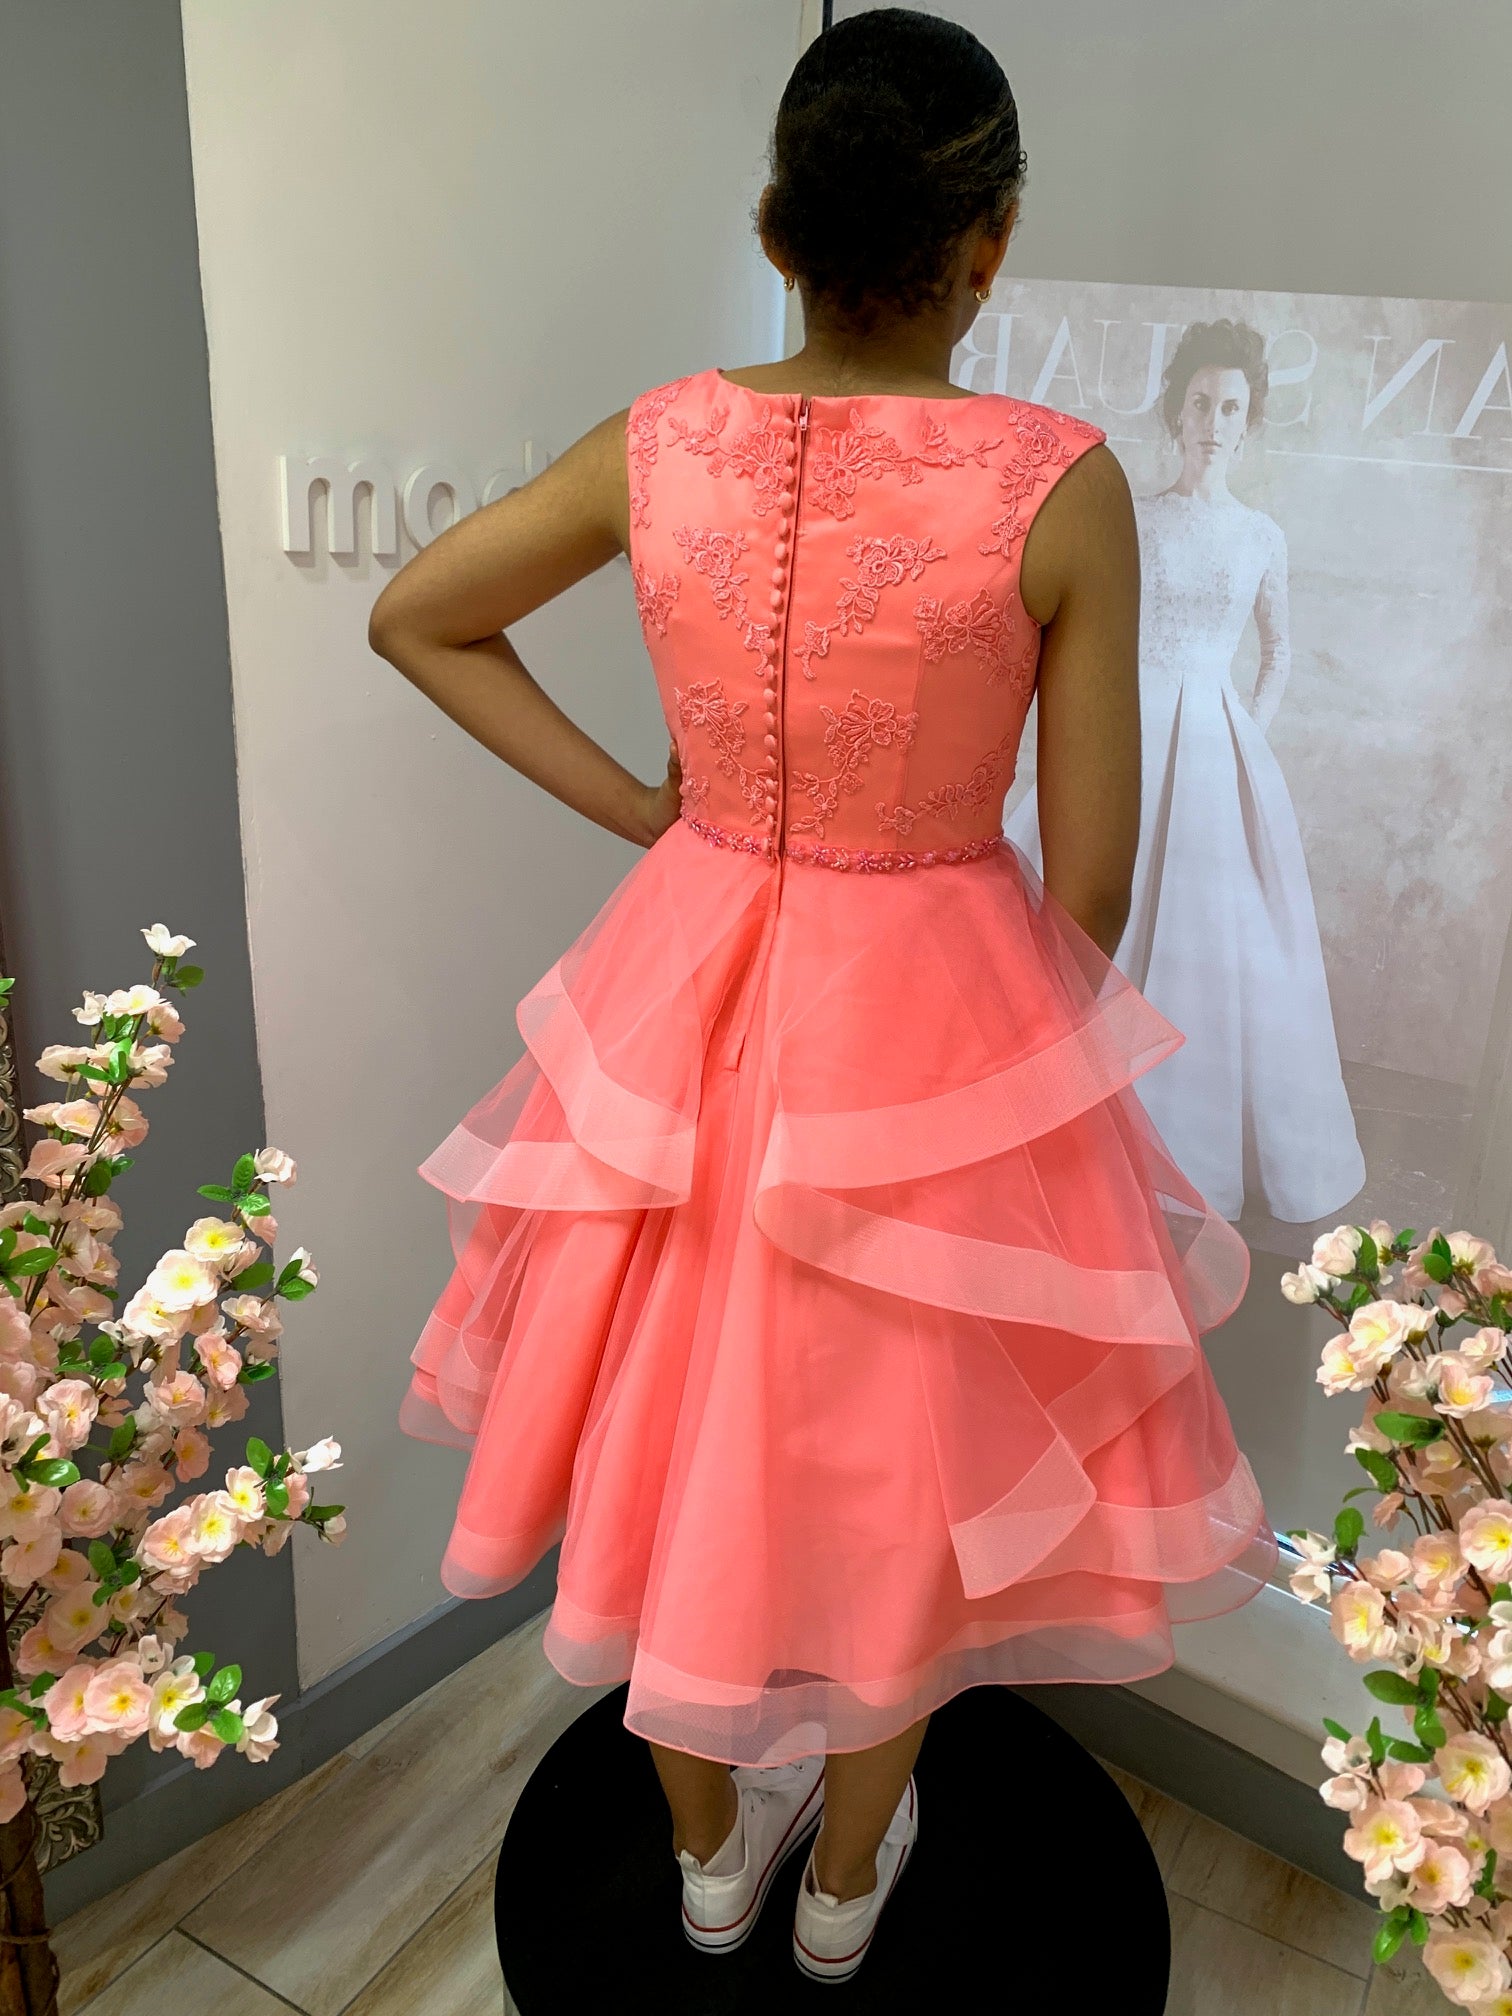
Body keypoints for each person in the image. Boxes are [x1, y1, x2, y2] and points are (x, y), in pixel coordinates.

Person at [368, 9, 1276, 1986]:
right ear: (991, 239)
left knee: (666, 1430)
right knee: (899, 1475)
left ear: (777, 229)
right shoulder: (1059, 481)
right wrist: (1020, 1084)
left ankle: (708, 1862)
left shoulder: (658, 441)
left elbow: (417, 614)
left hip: (682, 993)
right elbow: (1093, 878)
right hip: (932, 1020)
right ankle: (848, 1886)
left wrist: (644, 809)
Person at [1006, 319, 1366, 1225]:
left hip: (1212, 743)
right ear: (1176, 414)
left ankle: (1181, 1142)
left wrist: (1244, 737)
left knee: (1210, 942)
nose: (1214, 421)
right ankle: (1062, 1123)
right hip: (1125, 728)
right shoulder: (1134, 518)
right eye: (1201, 404)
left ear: (1250, 423)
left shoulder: (1261, 537)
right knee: (1089, 902)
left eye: (1231, 408)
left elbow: (1279, 652)